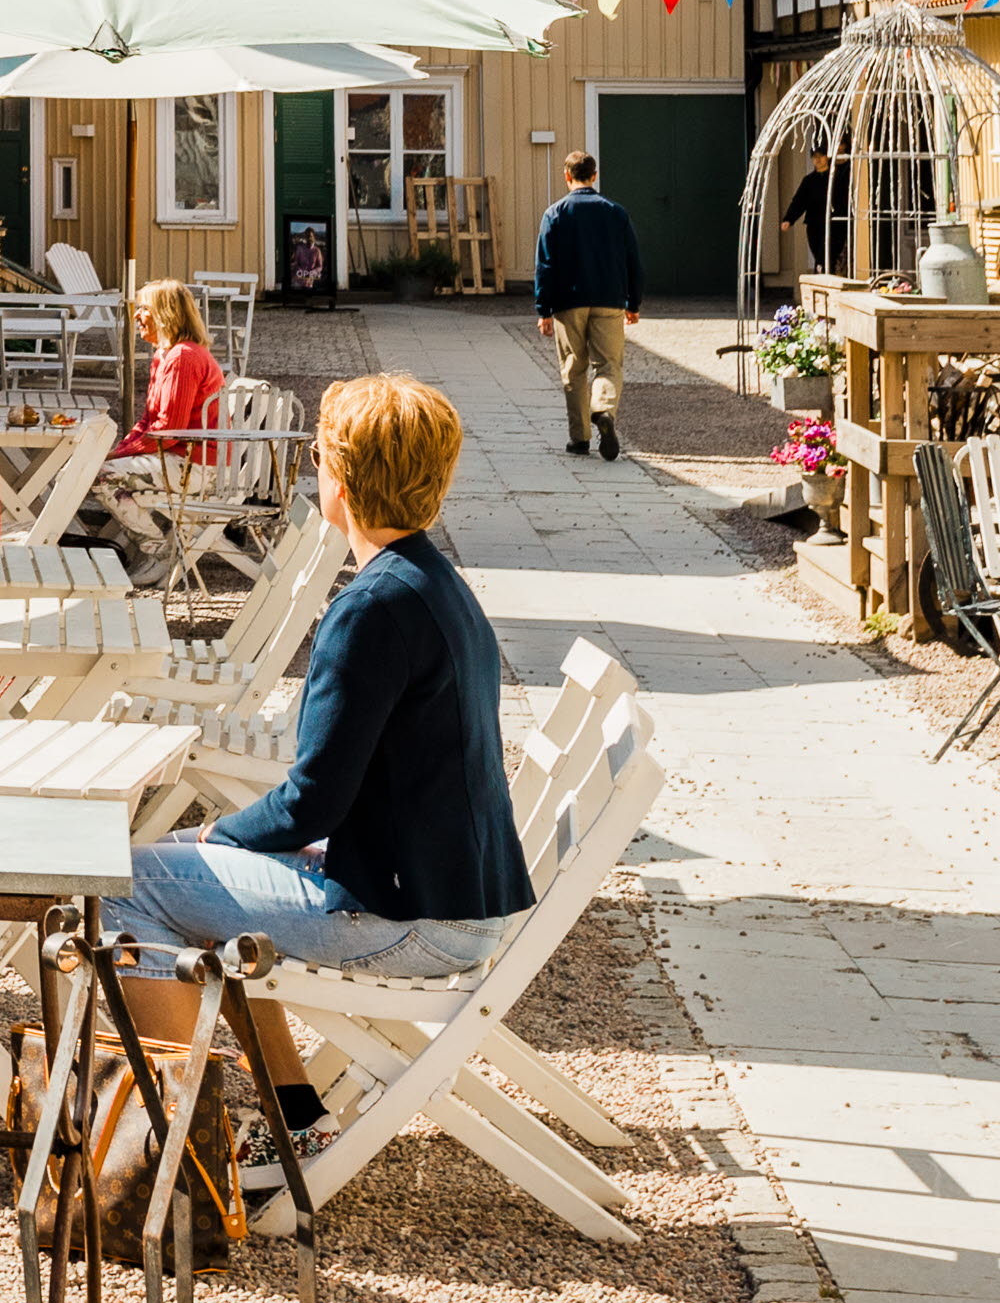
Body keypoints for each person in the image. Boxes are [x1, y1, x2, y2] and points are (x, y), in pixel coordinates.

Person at [98, 371, 534, 1164]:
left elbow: (311, 805)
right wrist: (231, 848)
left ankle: (177, 1144)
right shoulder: (434, 586)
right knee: (207, 892)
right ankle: (296, 1119)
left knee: (120, 882)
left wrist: (215, 836)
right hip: (449, 896)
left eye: (319, 458)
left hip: (410, 923)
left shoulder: (370, 610)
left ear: (343, 480)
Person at [533, 148, 643, 463]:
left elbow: (545, 265)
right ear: (594, 176)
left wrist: (544, 308)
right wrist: (632, 302)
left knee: (574, 369)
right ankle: (604, 410)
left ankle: (579, 439)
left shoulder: (554, 213)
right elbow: (633, 260)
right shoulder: (615, 212)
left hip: (568, 301)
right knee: (608, 364)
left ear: (567, 176)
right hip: (609, 298)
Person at [113, 278, 226, 460]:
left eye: (144, 309)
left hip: (196, 461)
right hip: (172, 453)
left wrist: (118, 456)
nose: (136, 315)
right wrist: (120, 451)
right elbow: (147, 422)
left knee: (93, 477)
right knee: (87, 472)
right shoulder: (163, 354)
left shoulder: (183, 357)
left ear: (165, 315)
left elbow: (169, 430)